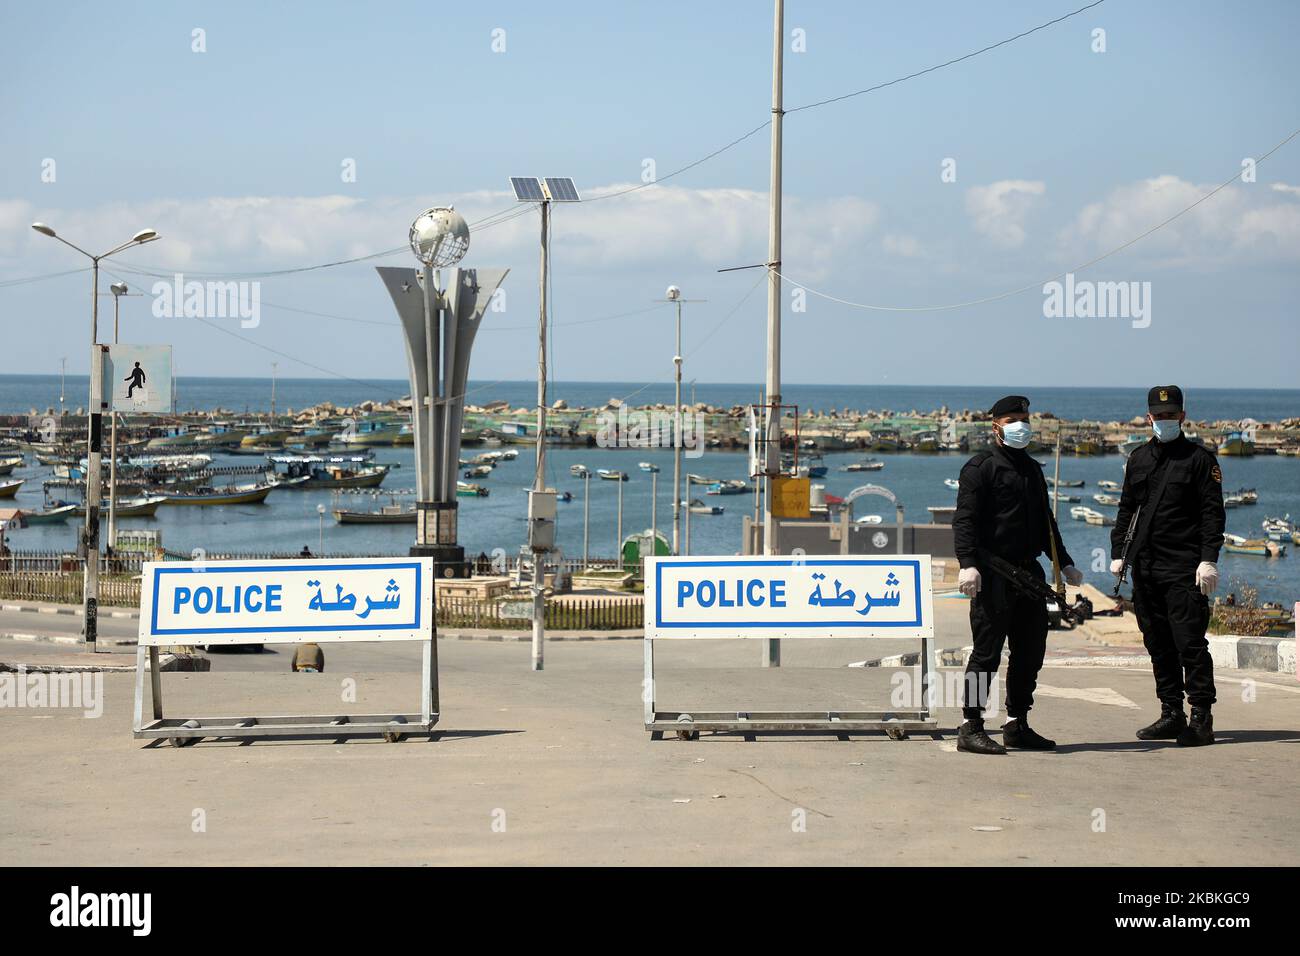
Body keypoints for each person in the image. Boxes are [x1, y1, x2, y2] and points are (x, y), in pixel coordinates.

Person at [952, 395, 1084, 755]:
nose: (1021, 425)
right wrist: (967, 564)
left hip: (1029, 575)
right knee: (986, 654)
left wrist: (1065, 563)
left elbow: (1046, 523)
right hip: (992, 574)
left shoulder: (1032, 469)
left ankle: (1017, 723)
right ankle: (971, 724)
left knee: (1029, 653)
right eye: (1013, 419)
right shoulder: (979, 469)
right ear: (996, 426)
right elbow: (964, 522)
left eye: (1024, 419)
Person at [1112, 386, 1224, 746]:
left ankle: (1201, 717)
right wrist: (1119, 553)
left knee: (1190, 643)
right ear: (1149, 418)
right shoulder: (1139, 458)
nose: (1164, 421)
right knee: (1158, 643)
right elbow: (1126, 508)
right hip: (1145, 567)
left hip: (1184, 567)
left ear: (1182, 417)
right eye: (1158, 416)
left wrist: (1208, 559)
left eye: (1170, 415)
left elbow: (1212, 514)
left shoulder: (1201, 460)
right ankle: (1171, 713)